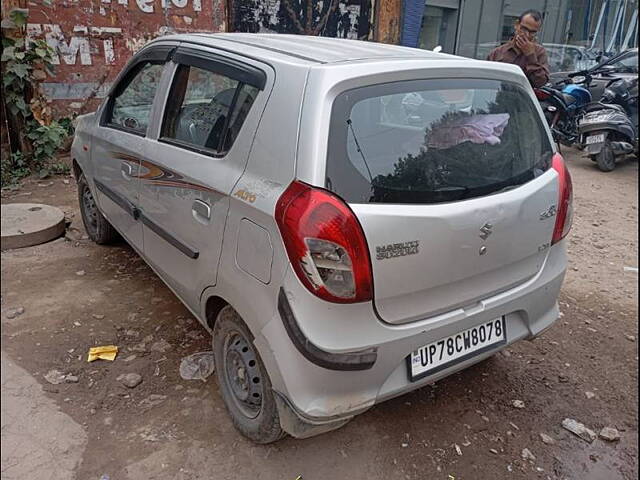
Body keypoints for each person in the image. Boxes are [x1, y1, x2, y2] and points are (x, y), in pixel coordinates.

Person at [487, 10, 550, 88]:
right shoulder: (497, 53)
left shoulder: (539, 53)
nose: (526, 35)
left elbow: (540, 82)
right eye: (524, 29)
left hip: (524, 98)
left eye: (532, 32)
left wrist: (531, 56)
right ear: (517, 25)